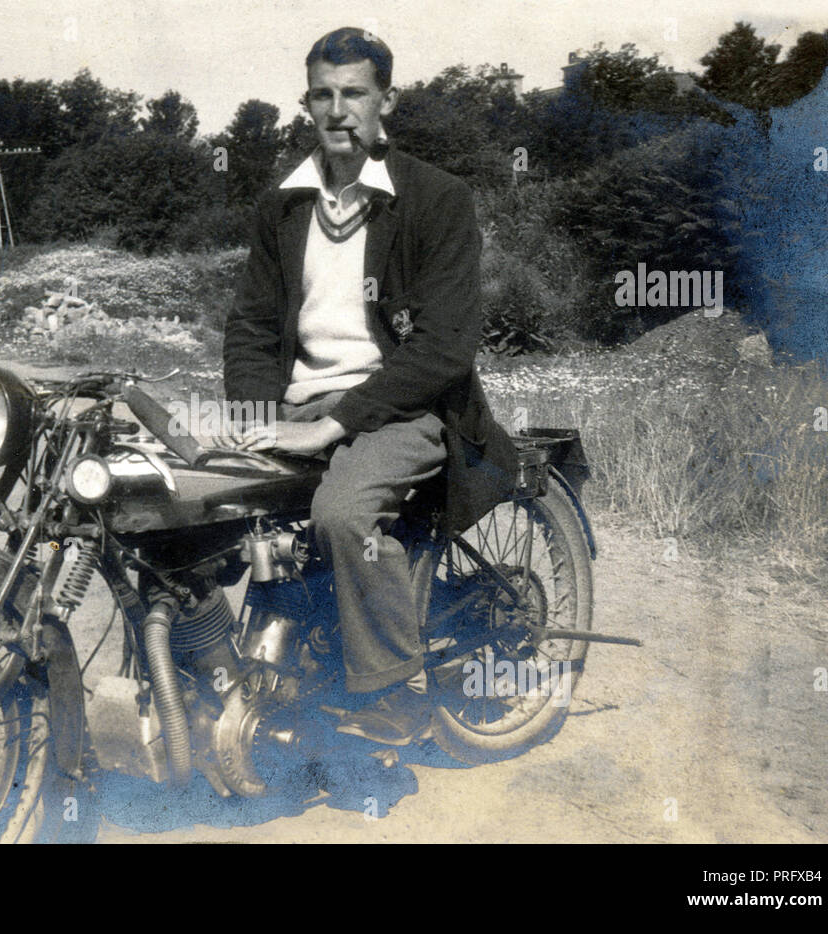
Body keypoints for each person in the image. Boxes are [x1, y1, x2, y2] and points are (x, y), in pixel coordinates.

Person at [222, 26, 517, 745]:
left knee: (344, 514)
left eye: (354, 93)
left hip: (406, 406)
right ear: (306, 105)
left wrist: (332, 424)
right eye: (322, 95)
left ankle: (393, 688)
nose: (338, 109)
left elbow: (446, 344)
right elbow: (253, 326)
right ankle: (256, 675)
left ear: (386, 99)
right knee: (203, 503)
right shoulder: (282, 207)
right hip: (302, 406)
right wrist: (258, 417)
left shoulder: (434, 199)